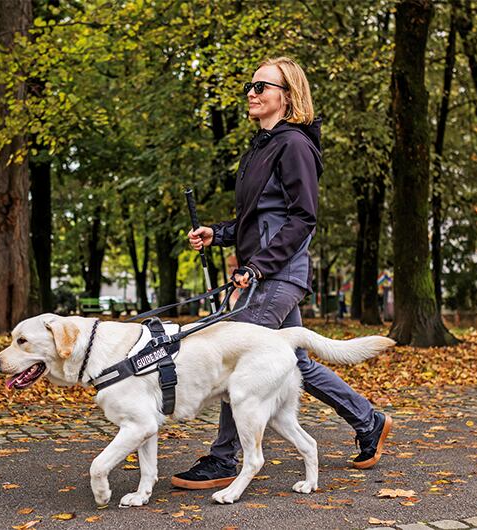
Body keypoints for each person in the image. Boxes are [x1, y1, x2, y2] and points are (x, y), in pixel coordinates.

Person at [172, 57, 392, 490]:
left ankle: (224, 458)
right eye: (249, 86)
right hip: (265, 271)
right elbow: (257, 220)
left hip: (278, 274)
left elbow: (301, 218)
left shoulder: (293, 145)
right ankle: (369, 420)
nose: (251, 93)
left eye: (261, 86)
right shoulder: (263, 145)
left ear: (287, 95)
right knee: (292, 360)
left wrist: (257, 267)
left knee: (241, 357)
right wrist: (216, 234)